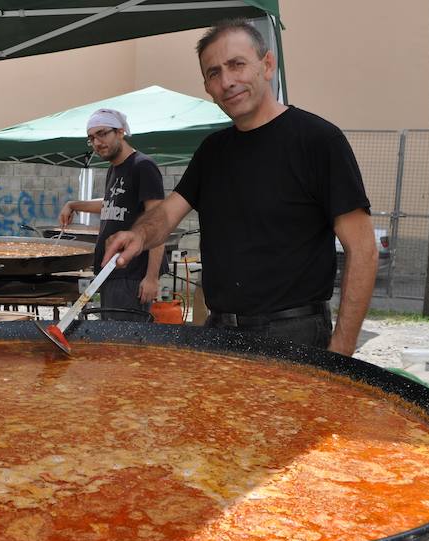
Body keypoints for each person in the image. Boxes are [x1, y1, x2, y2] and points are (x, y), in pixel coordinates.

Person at [103, 19, 378, 354]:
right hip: (220, 331)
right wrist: (139, 235)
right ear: (206, 86)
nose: (227, 81)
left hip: (294, 334)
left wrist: (341, 351)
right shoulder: (213, 150)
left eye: (237, 65)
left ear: (267, 64)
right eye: (214, 73)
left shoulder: (319, 141)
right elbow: (167, 213)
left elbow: (363, 250)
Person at [58, 109, 166, 320]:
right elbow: (111, 203)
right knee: (111, 341)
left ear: (120, 132)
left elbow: (158, 222)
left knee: (123, 343)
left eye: (102, 133)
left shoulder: (143, 166)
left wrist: (151, 278)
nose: (97, 142)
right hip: (110, 271)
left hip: (132, 274)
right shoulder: (115, 169)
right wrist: (74, 204)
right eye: (91, 138)